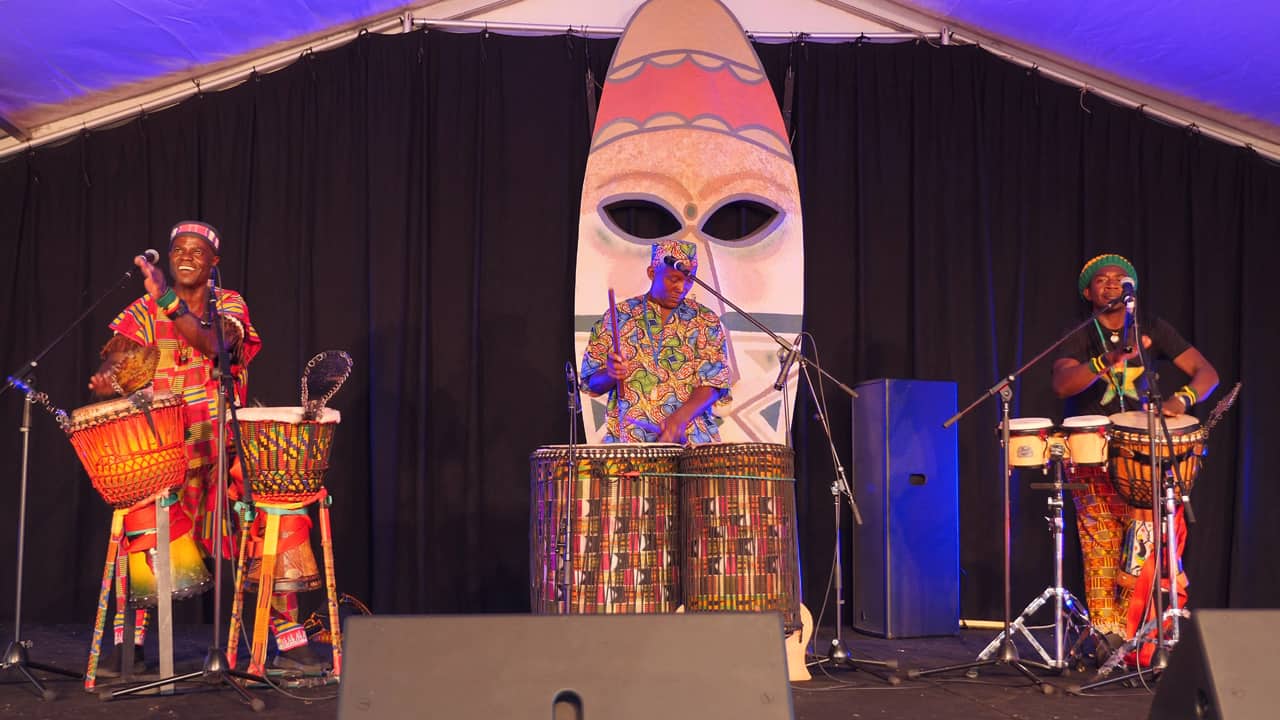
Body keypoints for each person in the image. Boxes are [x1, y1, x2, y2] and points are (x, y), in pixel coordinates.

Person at [88, 221, 323, 674]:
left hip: (224, 447)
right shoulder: (141, 311)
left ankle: (289, 645)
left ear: (214, 262)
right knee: (141, 534)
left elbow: (216, 345)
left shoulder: (227, 304)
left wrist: (168, 301)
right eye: (179, 249)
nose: (187, 256)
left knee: (267, 527)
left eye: (197, 250)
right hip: (163, 451)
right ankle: (128, 648)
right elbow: (119, 359)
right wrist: (107, 377)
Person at [1051, 253, 1219, 648]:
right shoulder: (1079, 332)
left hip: (1145, 455)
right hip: (1093, 451)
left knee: (1140, 545)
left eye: (1120, 278)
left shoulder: (1152, 329)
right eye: (1101, 279)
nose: (1111, 283)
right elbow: (1062, 384)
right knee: (1101, 544)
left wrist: (1182, 400)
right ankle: (1106, 634)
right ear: (1088, 292)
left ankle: (1134, 636)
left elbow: (1208, 373)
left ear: (1132, 290)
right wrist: (1105, 360)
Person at [580, 240, 732, 443]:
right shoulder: (619, 316)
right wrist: (610, 373)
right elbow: (591, 384)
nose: (681, 287)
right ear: (652, 273)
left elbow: (715, 382)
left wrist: (678, 420)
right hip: (631, 443)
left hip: (690, 443)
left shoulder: (705, 319)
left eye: (689, 280)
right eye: (674, 279)